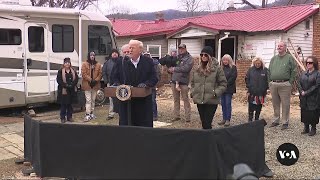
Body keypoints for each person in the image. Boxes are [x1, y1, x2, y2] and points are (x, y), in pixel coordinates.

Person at [111, 40, 158, 127]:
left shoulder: (148, 62)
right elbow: (114, 77)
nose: (130, 50)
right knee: (127, 127)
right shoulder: (121, 62)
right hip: (127, 102)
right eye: (129, 48)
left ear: (140, 50)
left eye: (133, 48)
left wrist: (146, 84)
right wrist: (118, 84)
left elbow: (154, 78)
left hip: (143, 103)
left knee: (143, 127)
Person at [190, 46, 227, 129]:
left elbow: (223, 84)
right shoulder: (197, 68)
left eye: (206, 55)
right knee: (203, 123)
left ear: (210, 56)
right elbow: (192, 83)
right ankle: (205, 140)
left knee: (207, 123)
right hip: (199, 99)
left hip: (211, 99)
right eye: (202, 55)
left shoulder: (217, 68)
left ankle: (210, 140)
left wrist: (215, 93)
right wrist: (193, 92)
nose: (203, 56)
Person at [268, 41, 296, 130]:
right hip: (274, 84)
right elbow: (269, 71)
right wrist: (270, 82)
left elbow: (294, 70)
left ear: (285, 47)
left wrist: (290, 82)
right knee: (275, 104)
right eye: (278, 46)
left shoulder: (289, 58)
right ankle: (276, 120)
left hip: (285, 84)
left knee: (285, 104)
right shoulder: (273, 59)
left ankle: (285, 122)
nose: (279, 47)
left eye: (281, 46)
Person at [168, 44, 194, 122]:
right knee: (176, 99)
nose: (181, 50)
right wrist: (169, 69)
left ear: (185, 48)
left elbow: (186, 68)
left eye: (182, 48)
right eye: (179, 48)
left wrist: (174, 69)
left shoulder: (189, 58)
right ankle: (176, 116)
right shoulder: (177, 57)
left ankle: (187, 117)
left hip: (183, 81)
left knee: (185, 99)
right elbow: (173, 65)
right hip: (174, 80)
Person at [297, 56, 320, 136]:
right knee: (304, 112)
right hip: (303, 97)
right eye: (307, 62)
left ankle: (313, 128)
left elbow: (316, 86)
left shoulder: (317, 74)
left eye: (310, 63)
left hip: (313, 97)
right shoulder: (304, 73)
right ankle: (306, 127)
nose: (308, 64)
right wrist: (301, 91)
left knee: (312, 112)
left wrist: (306, 92)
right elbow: (299, 83)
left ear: (314, 64)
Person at [245, 57, 269, 122]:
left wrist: (265, 89)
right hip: (252, 92)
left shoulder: (265, 70)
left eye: (259, 63)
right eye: (256, 63)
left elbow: (268, 81)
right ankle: (250, 119)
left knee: (259, 106)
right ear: (254, 63)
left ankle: (256, 119)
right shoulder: (250, 70)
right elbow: (247, 79)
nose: (257, 64)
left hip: (261, 92)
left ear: (261, 63)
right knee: (251, 106)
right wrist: (249, 87)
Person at [81, 51, 102, 122]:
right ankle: (87, 114)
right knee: (88, 100)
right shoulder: (84, 64)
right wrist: (90, 80)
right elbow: (83, 74)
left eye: (93, 55)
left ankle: (92, 113)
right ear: (88, 56)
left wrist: (96, 80)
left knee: (93, 100)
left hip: (95, 85)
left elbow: (100, 74)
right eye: (91, 55)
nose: (92, 56)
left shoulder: (98, 64)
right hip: (87, 85)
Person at [56, 58, 78, 123]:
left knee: (70, 105)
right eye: (66, 63)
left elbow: (76, 79)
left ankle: (69, 117)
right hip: (64, 91)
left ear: (70, 64)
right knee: (63, 105)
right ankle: (62, 118)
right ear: (64, 64)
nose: (67, 64)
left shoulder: (73, 71)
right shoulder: (60, 71)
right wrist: (65, 85)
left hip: (71, 90)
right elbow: (59, 80)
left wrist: (72, 85)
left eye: (68, 62)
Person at [218, 54, 237, 127]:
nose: (225, 61)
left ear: (229, 60)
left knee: (228, 104)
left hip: (229, 89)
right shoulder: (221, 68)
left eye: (226, 60)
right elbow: (218, 77)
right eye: (224, 60)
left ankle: (228, 119)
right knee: (223, 104)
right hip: (222, 89)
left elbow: (233, 77)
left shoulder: (233, 67)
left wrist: (225, 84)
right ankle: (224, 118)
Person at [102, 48, 120, 120]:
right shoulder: (107, 63)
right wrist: (106, 81)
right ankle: (111, 114)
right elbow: (104, 72)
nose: (114, 54)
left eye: (116, 52)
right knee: (111, 99)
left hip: (119, 84)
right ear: (111, 54)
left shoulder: (121, 61)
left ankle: (120, 113)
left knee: (120, 98)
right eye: (113, 53)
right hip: (110, 83)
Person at [144, 51, 161, 121]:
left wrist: (155, 84)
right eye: (145, 55)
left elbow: (158, 75)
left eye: (148, 55)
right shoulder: (142, 64)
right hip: (144, 86)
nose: (147, 56)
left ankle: (154, 115)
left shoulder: (155, 64)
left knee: (152, 101)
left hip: (152, 86)